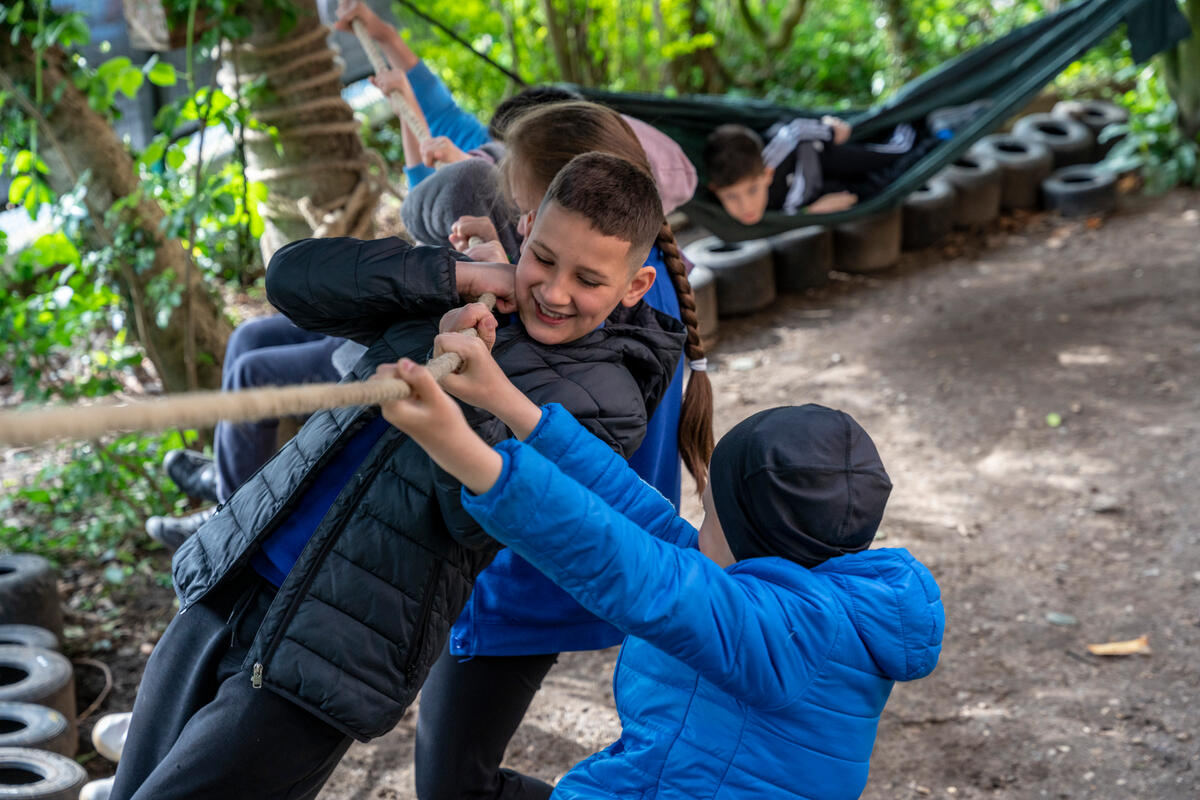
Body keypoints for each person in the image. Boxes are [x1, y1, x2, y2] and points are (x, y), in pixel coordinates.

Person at [108, 152, 685, 800]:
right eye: (544, 259)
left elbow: (484, 519)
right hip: (231, 581)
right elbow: (292, 281)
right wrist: (452, 274)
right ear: (525, 228)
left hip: (330, 651)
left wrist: (467, 403)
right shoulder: (464, 292)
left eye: (588, 279)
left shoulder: (607, 397)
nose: (555, 292)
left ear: (634, 287)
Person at [375, 330, 946, 800]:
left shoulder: (786, 633)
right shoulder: (796, 589)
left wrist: (460, 449)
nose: (697, 516)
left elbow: (630, 567)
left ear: (753, 540)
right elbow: (634, 511)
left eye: (711, 513)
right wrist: (505, 401)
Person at [407, 101, 712, 800]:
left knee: (453, 785)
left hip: (533, 570)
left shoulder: (584, 325)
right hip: (553, 562)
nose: (553, 288)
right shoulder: (635, 277)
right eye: (535, 250)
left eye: (517, 208)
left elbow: (547, 439)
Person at [703, 116, 914, 224]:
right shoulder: (723, 209)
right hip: (816, 191)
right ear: (715, 190)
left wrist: (830, 130)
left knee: (894, 154)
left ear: (768, 174)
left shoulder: (773, 157)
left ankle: (914, 120)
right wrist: (812, 211)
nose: (745, 206)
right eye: (731, 196)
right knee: (877, 189)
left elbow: (795, 131)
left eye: (752, 190)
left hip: (823, 157)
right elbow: (787, 215)